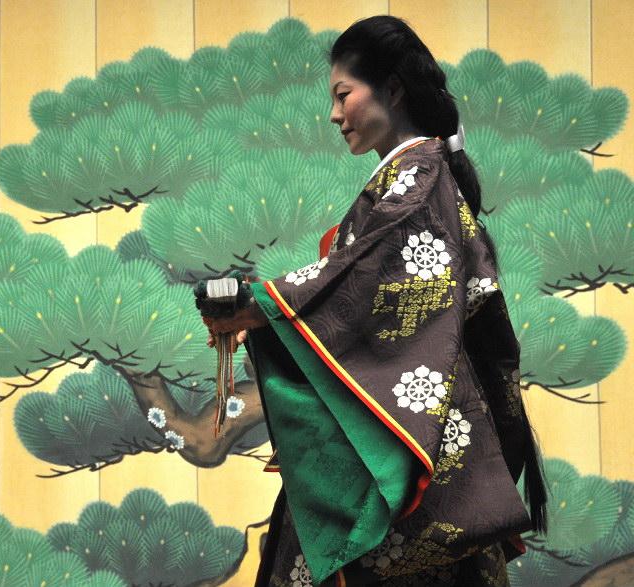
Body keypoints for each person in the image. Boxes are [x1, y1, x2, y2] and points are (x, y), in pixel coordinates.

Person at [201, 15, 547, 587]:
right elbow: (357, 283)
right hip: (415, 430)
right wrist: (269, 314)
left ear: (392, 88)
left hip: (418, 441)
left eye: (343, 95)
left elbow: (366, 282)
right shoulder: (413, 178)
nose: (334, 115)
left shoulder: (419, 179)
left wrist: (263, 306)